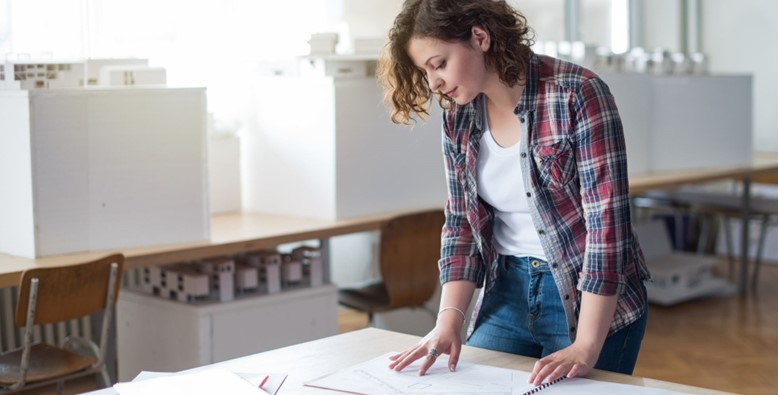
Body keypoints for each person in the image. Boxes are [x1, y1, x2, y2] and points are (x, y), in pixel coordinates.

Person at [376, 0, 651, 387]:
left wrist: (588, 344)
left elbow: (608, 228)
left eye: (439, 64)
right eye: (425, 71)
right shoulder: (459, 115)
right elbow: (461, 225)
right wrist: (448, 321)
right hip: (506, 291)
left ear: (480, 37)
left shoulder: (577, 93)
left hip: (587, 296)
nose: (434, 82)